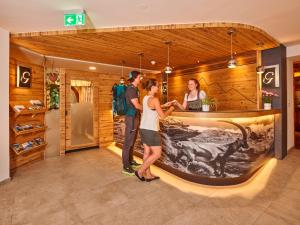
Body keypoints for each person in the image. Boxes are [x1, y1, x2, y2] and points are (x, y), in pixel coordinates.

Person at [135, 79, 175, 182]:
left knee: (147, 152)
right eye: (157, 86)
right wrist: (170, 110)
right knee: (157, 154)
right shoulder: (155, 99)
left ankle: (148, 175)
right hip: (151, 130)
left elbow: (151, 108)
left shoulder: (145, 98)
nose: (159, 87)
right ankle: (140, 171)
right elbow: (162, 116)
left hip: (143, 128)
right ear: (152, 87)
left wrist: (163, 106)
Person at [122, 71, 143, 175]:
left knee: (132, 141)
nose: (141, 79)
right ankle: (126, 166)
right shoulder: (131, 89)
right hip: (131, 118)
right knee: (127, 143)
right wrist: (149, 108)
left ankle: (130, 161)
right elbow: (137, 105)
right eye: (140, 77)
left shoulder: (134, 88)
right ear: (135, 78)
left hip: (134, 117)